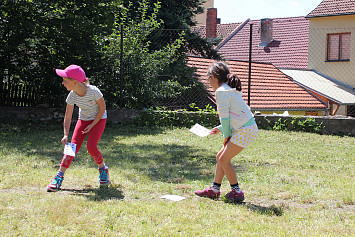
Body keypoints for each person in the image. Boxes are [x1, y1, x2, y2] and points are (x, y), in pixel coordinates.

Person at [194, 62, 258, 202]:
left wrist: (226, 135)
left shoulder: (221, 92)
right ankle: (214, 189)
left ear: (214, 77)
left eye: (208, 79)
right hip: (246, 128)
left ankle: (237, 192)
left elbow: (225, 118)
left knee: (224, 159)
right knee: (220, 157)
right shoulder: (228, 89)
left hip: (245, 130)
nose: (209, 83)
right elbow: (234, 115)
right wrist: (221, 129)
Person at [47, 64, 110, 192]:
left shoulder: (94, 91)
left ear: (75, 82)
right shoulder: (72, 95)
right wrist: (65, 134)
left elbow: (102, 109)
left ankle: (103, 170)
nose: (63, 82)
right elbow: (68, 116)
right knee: (71, 149)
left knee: (91, 146)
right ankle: (59, 177)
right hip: (83, 120)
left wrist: (92, 125)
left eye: (65, 80)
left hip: (99, 119)